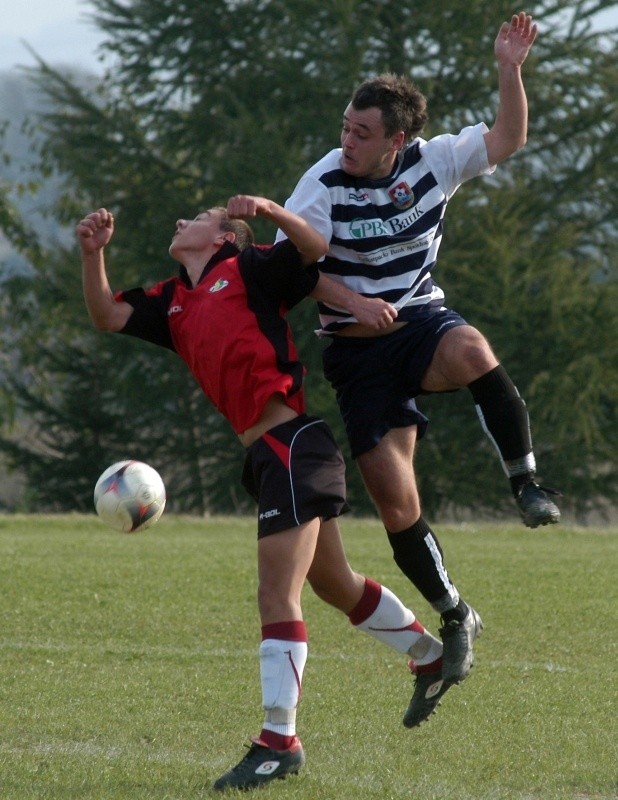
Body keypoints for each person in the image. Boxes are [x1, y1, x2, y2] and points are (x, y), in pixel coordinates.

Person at [77, 197, 455, 792]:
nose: (180, 220)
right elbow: (104, 314)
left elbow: (311, 251)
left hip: (292, 446)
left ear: (225, 236)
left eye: (195, 217)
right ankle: (431, 655)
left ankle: (279, 741)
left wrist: (274, 211)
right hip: (268, 456)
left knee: (276, 593)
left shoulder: (252, 267)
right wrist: (92, 254)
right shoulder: (172, 301)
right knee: (334, 584)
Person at [276, 12, 561, 689]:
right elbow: (293, 271)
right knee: (396, 501)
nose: (347, 141)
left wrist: (509, 70)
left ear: (397, 141)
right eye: (346, 127)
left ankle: (526, 482)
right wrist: (355, 304)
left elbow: (509, 137)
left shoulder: (435, 161)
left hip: (420, 324)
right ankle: (454, 611)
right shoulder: (323, 185)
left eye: (362, 133)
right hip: (356, 353)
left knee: (469, 349)